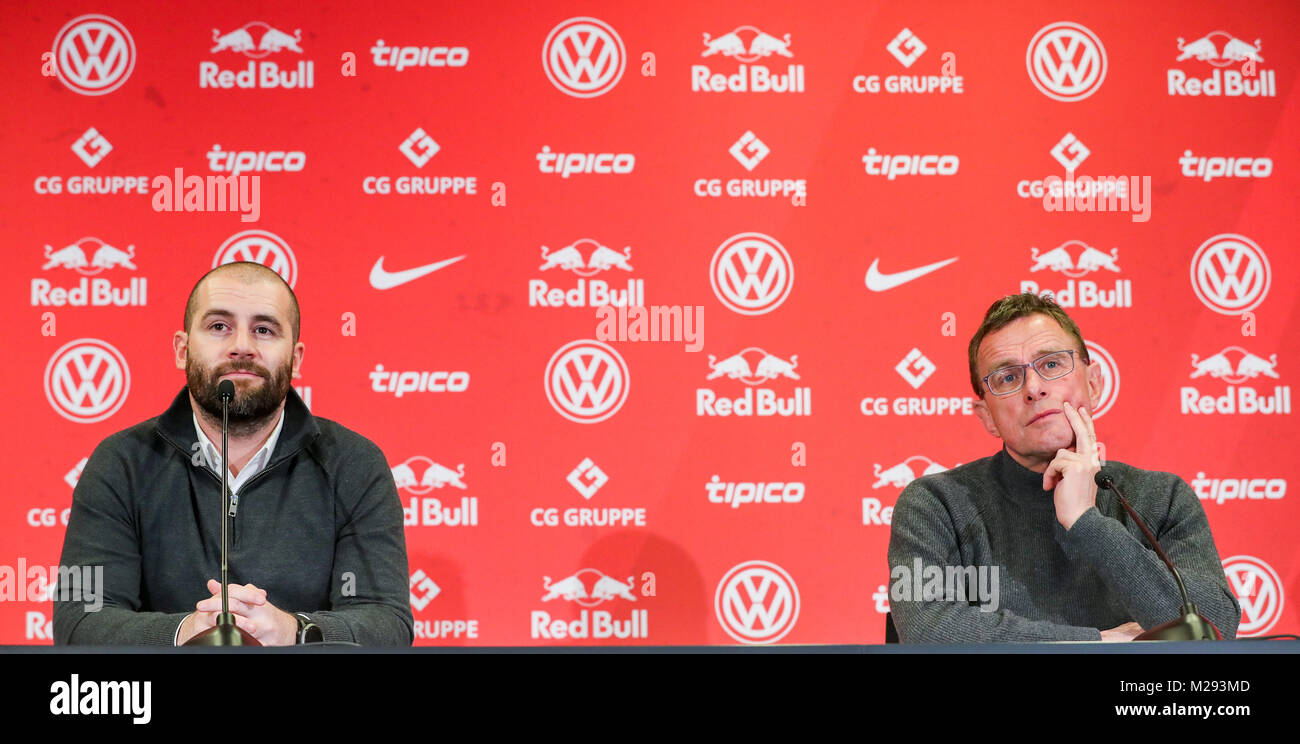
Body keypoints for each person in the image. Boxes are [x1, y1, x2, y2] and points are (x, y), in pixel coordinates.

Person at [54, 262, 413, 645]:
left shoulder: (353, 464)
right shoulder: (121, 463)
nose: (242, 346)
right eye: (219, 326)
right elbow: (80, 619)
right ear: (182, 349)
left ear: (297, 357)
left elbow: (386, 621)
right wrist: (186, 632)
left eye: (264, 329)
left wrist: (295, 631)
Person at [886, 292, 1239, 642]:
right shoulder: (935, 504)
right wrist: (1098, 643)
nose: (1034, 389)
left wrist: (1086, 521)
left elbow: (1213, 627)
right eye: (1007, 378)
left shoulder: (1162, 497)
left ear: (1095, 384)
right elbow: (926, 630)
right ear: (987, 417)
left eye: (1051, 364)